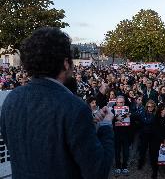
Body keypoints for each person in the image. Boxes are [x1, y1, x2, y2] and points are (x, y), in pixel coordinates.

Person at [0, 27, 114, 179]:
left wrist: (90, 127)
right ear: (66, 63)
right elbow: (97, 172)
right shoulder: (74, 107)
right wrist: (106, 126)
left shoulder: (11, 99)